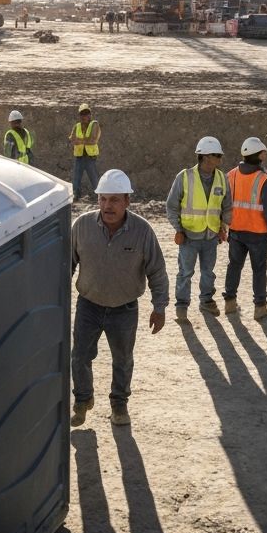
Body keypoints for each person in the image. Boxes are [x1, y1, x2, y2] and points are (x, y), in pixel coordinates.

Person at [70, 168, 168, 428]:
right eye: (102, 199)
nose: (107, 205)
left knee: (122, 359)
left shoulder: (142, 231)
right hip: (88, 305)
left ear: (127, 201)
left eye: (114, 200)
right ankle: (82, 400)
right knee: (79, 356)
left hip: (124, 309)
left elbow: (156, 270)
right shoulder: (81, 226)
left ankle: (119, 405)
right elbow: (65, 266)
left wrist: (160, 307)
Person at [166, 136, 232, 321]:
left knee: (208, 272)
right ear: (204, 156)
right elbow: (171, 206)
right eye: (216, 155)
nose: (220, 159)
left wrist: (223, 227)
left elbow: (227, 206)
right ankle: (181, 307)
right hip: (188, 236)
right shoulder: (185, 177)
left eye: (219, 155)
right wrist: (178, 229)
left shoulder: (221, 178)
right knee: (185, 273)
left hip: (211, 236)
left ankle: (206, 301)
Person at [222, 137, 267, 321]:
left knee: (234, 266)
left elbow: (222, 203)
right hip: (258, 233)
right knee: (259, 270)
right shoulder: (263, 179)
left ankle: (229, 303)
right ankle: (260, 308)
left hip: (236, 231)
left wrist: (222, 224)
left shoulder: (230, 175)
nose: (265, 154)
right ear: (257, 155)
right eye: (263, 152)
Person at [69, 103, 101, 200]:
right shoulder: (77, 126)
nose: (84, 116)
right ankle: (76, 196)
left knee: (94, 178)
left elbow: (93, 140)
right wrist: (84, 140)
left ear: (90, 115)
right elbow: (72, 139)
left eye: (86, 114)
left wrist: (79, 140)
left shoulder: (94, 124)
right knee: (76, 178)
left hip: (90, 157)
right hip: (79, 156)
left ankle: (99, 196)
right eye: (82, 114)